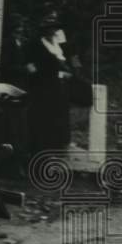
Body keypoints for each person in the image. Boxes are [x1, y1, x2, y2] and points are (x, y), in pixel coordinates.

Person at [23, 8, 73, 154]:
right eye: (49, 28)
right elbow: (30, 64)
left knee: (59, 116)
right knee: (42, 118)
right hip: (42, 86)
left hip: (58, 85)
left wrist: (69, 70)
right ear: (43, 30)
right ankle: (40, 148)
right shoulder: (35, 44)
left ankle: (57, 146)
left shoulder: (59, 43)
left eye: (54, 28)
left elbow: (69, 58)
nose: (52, 31)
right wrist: (36, 73)